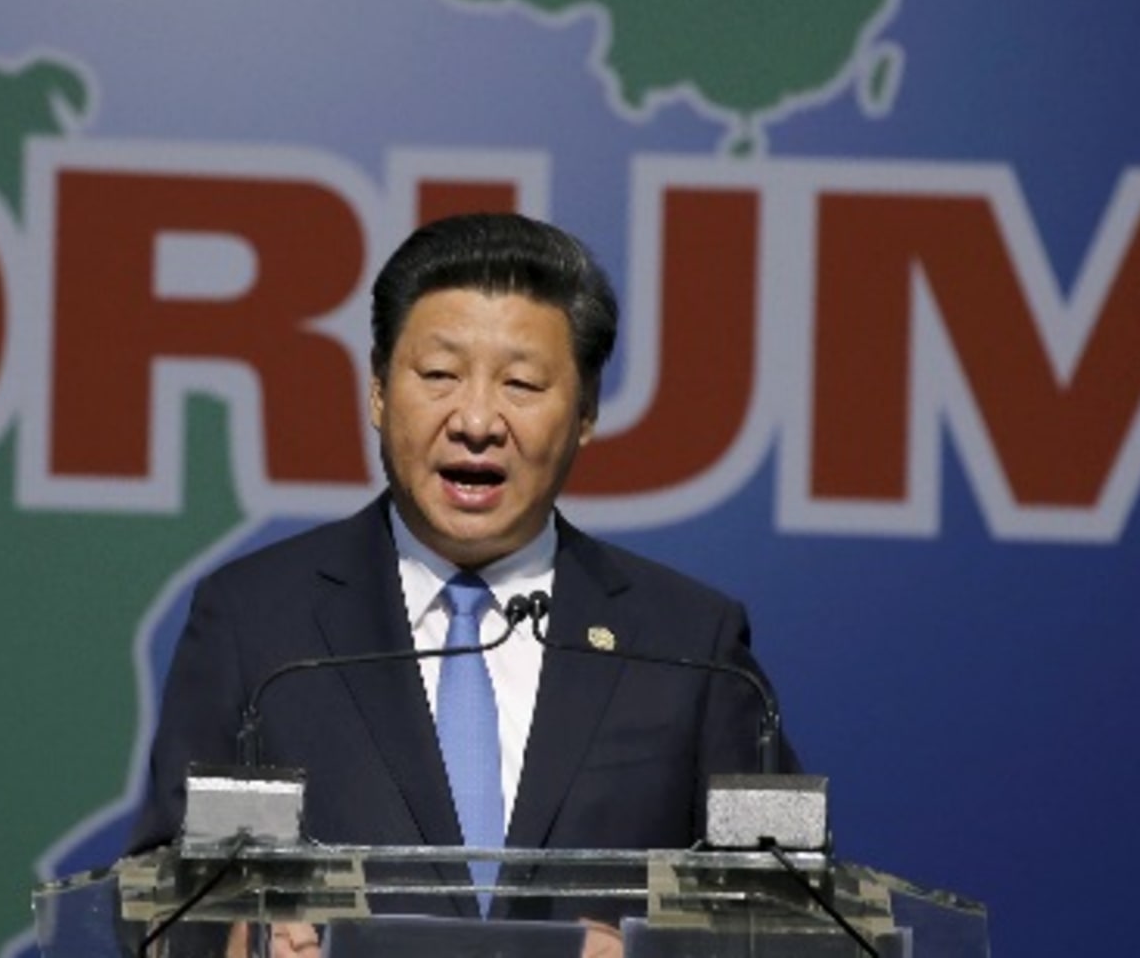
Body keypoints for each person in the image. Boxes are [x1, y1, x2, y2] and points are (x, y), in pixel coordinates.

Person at [128, 213, 795, 945]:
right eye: (440, 375)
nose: (476, 419)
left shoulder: (685, 643)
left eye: (522, 382)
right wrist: (242, 943)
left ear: (587, 412)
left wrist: (655, 953)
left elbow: (792, 923)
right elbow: (159, 907)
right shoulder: (257, 622)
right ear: (378, 390)